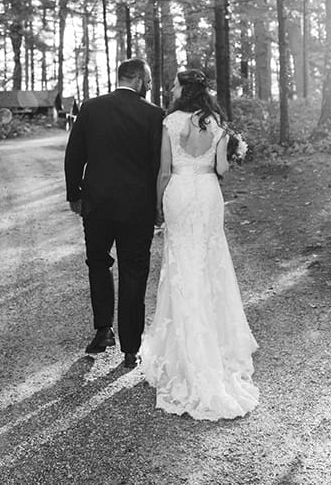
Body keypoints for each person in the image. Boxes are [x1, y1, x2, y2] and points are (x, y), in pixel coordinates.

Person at [140, 68, 258, 420]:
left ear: (184, 89)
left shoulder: (171, 121)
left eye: (175, 84)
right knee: (210, 260)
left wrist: (158, 205)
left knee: (181, 263)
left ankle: (184, 348)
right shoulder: (219, 124)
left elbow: (164, 170)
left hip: (179, 190)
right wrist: (230, 154)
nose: (171, 88)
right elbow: (221, 169)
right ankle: (216, 341)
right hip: (207, 193)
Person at [64, 58, 164, 368]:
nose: (149, 86)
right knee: (134, 272)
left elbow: (74, 155)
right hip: (138, 208)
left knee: (98, 263)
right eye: (147, 80)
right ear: (137, 80)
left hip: (98, 204)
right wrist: (159, 205)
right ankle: (131, 349)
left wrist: (75, 195)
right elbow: (158, 165)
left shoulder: (91, 108)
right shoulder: (154, 115)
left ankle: (103, 330)